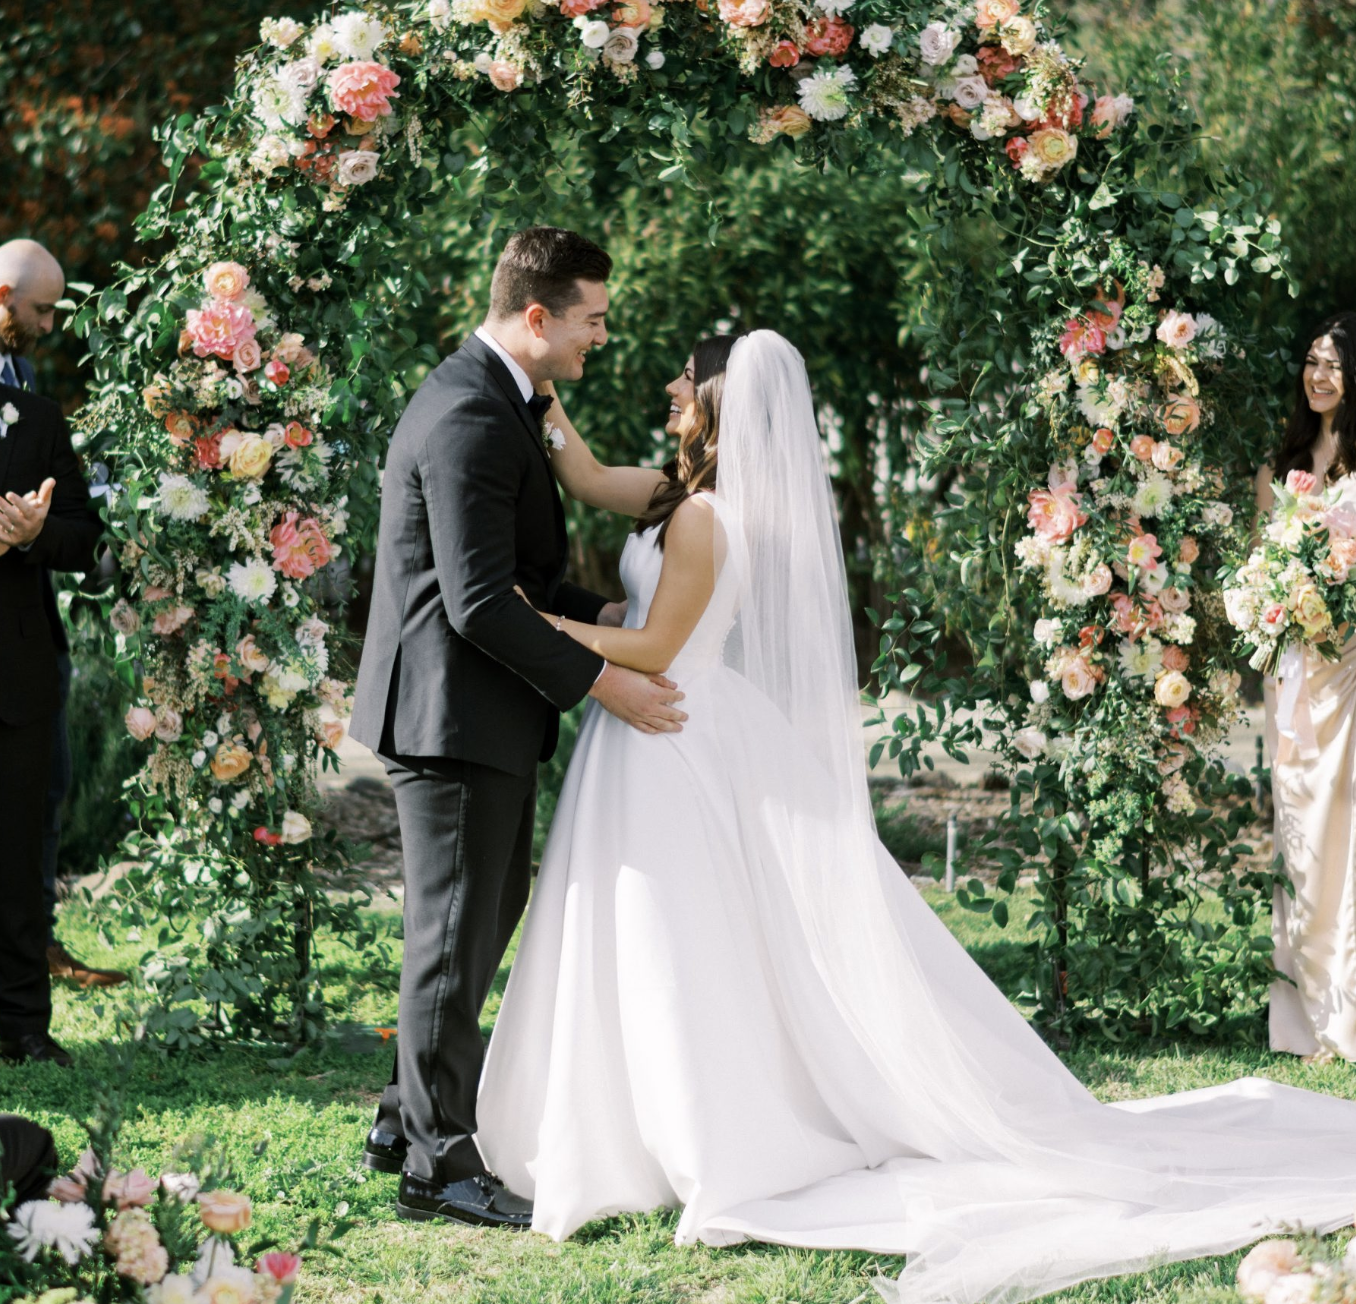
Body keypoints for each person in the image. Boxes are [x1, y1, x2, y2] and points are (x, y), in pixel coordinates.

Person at [479, 330, 1356, 1304]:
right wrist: (528, 378)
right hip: (646, 737)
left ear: (718, 402)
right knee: (656, 944)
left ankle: (690, 1126)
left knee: (678, 943)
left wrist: (532, 621)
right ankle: (631, 1123)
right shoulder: (673, 494)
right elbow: (591, 473)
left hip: (671, 725)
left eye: (686, 383)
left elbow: (657, 640)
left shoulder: (705, 520)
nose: (672, 393)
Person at [349, 227, 686, 1228]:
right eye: (592, 319)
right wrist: (601, 681)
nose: (603, 337)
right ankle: (438, 1163)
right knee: (451, 939)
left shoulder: (505, 399)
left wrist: (601, 609)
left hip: (480, 710)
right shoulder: (469, 414)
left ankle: (401, 1117)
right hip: (452, 714)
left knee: (480, 920)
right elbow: (478, 602)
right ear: (536, 317)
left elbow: (513, 571)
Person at [0, 237, 127, 992]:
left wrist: (37, 532)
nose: (52, 325)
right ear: (4, 295)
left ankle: (31, 959)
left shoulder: (33, 401)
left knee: (39, 804)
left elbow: (82, 533)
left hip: (23, 649)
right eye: (43, 309)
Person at [1257, 312, 1356, 1062]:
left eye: (1333, 364)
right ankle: (1303, 1021)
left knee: (1343, 834)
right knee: (1297, 831)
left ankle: (1343, 1014)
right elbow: (1263, 563)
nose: (1318, 376)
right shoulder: (1284, 462)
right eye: (1312, 361)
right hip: (1293, 672)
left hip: (1348, 671)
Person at [0, 378, 101, 1066]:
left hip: (14, 673)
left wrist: (37, 534)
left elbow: (85, 538)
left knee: (17, 855)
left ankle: (22, 1024)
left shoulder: (34, 419)